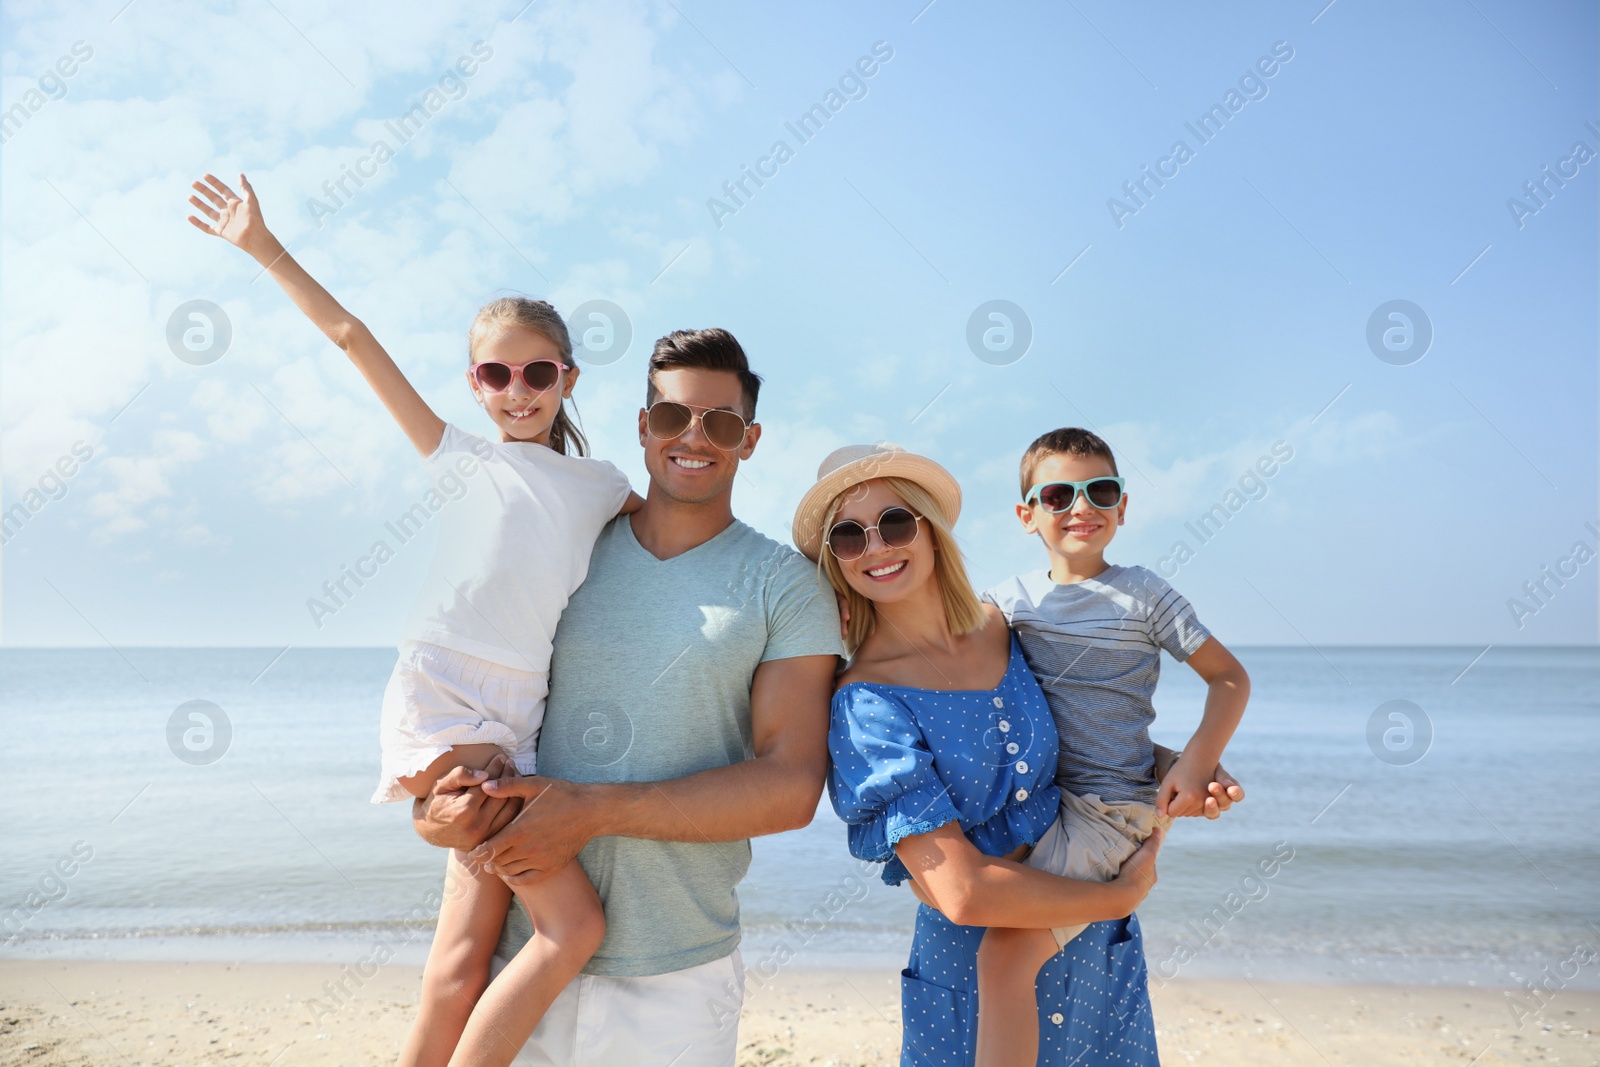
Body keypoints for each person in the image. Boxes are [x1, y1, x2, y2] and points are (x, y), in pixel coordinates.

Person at [184, 172, 644, 1066]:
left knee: (463, 954)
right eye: (497, 373)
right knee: (574, 927)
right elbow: (352, 338)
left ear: (568, 378)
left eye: (538, 372)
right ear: (474, 384)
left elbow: (677, 537)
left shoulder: (602, 487)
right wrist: (262, 244)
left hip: (522, 717)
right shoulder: (457, 455)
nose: (519, 390)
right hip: (443, 695)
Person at [409, 328, 844, 1066]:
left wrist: (595, 809)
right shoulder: (569, 545)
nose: (694, 438)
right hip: (518, 959)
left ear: (752, 439)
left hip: (678, 977)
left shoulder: (786, 584)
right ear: (645, 427)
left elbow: (792, 785)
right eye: (674, 417)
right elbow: (478, 695)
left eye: (722, 422)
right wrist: (431, 811)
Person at [794, 444, 1243, 1066]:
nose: (876, 547)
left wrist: (1178, 766)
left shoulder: (1004, 625)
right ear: (834, 561)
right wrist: (1119, 895)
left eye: (894, 523)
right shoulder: (865, 703)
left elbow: (1082, 737)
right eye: (848, 536)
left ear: (929, 529)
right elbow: (962, 893)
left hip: (1094, 954)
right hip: (980, 975)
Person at [972, 427, 1251, 1065]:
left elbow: (1229, 678)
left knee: (1003, 958)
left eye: (1100, 490)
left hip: (1110, 810)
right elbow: (955, 663)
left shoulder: (1143, 593)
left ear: (1122, 507)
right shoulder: (1007, 601)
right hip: (1041, 799)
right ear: (1027, 515)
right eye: (1058, 494)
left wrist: (1197, 761)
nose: (1081, 506)